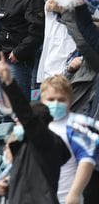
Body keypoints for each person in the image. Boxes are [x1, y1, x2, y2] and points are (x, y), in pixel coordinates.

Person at [0, 55, 71, 203]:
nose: (19, 124)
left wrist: (9, 83)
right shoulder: (26, 148)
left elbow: (25, 114)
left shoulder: (48, 142)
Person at [40, 75, 96, 203]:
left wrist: (75, 193)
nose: (55, 104)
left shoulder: (77, 126)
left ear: (70, 101)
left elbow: (86, 161)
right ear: (42, 100)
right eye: (51, 99)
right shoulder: (37, 124)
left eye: (61, 100)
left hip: (66, 198)